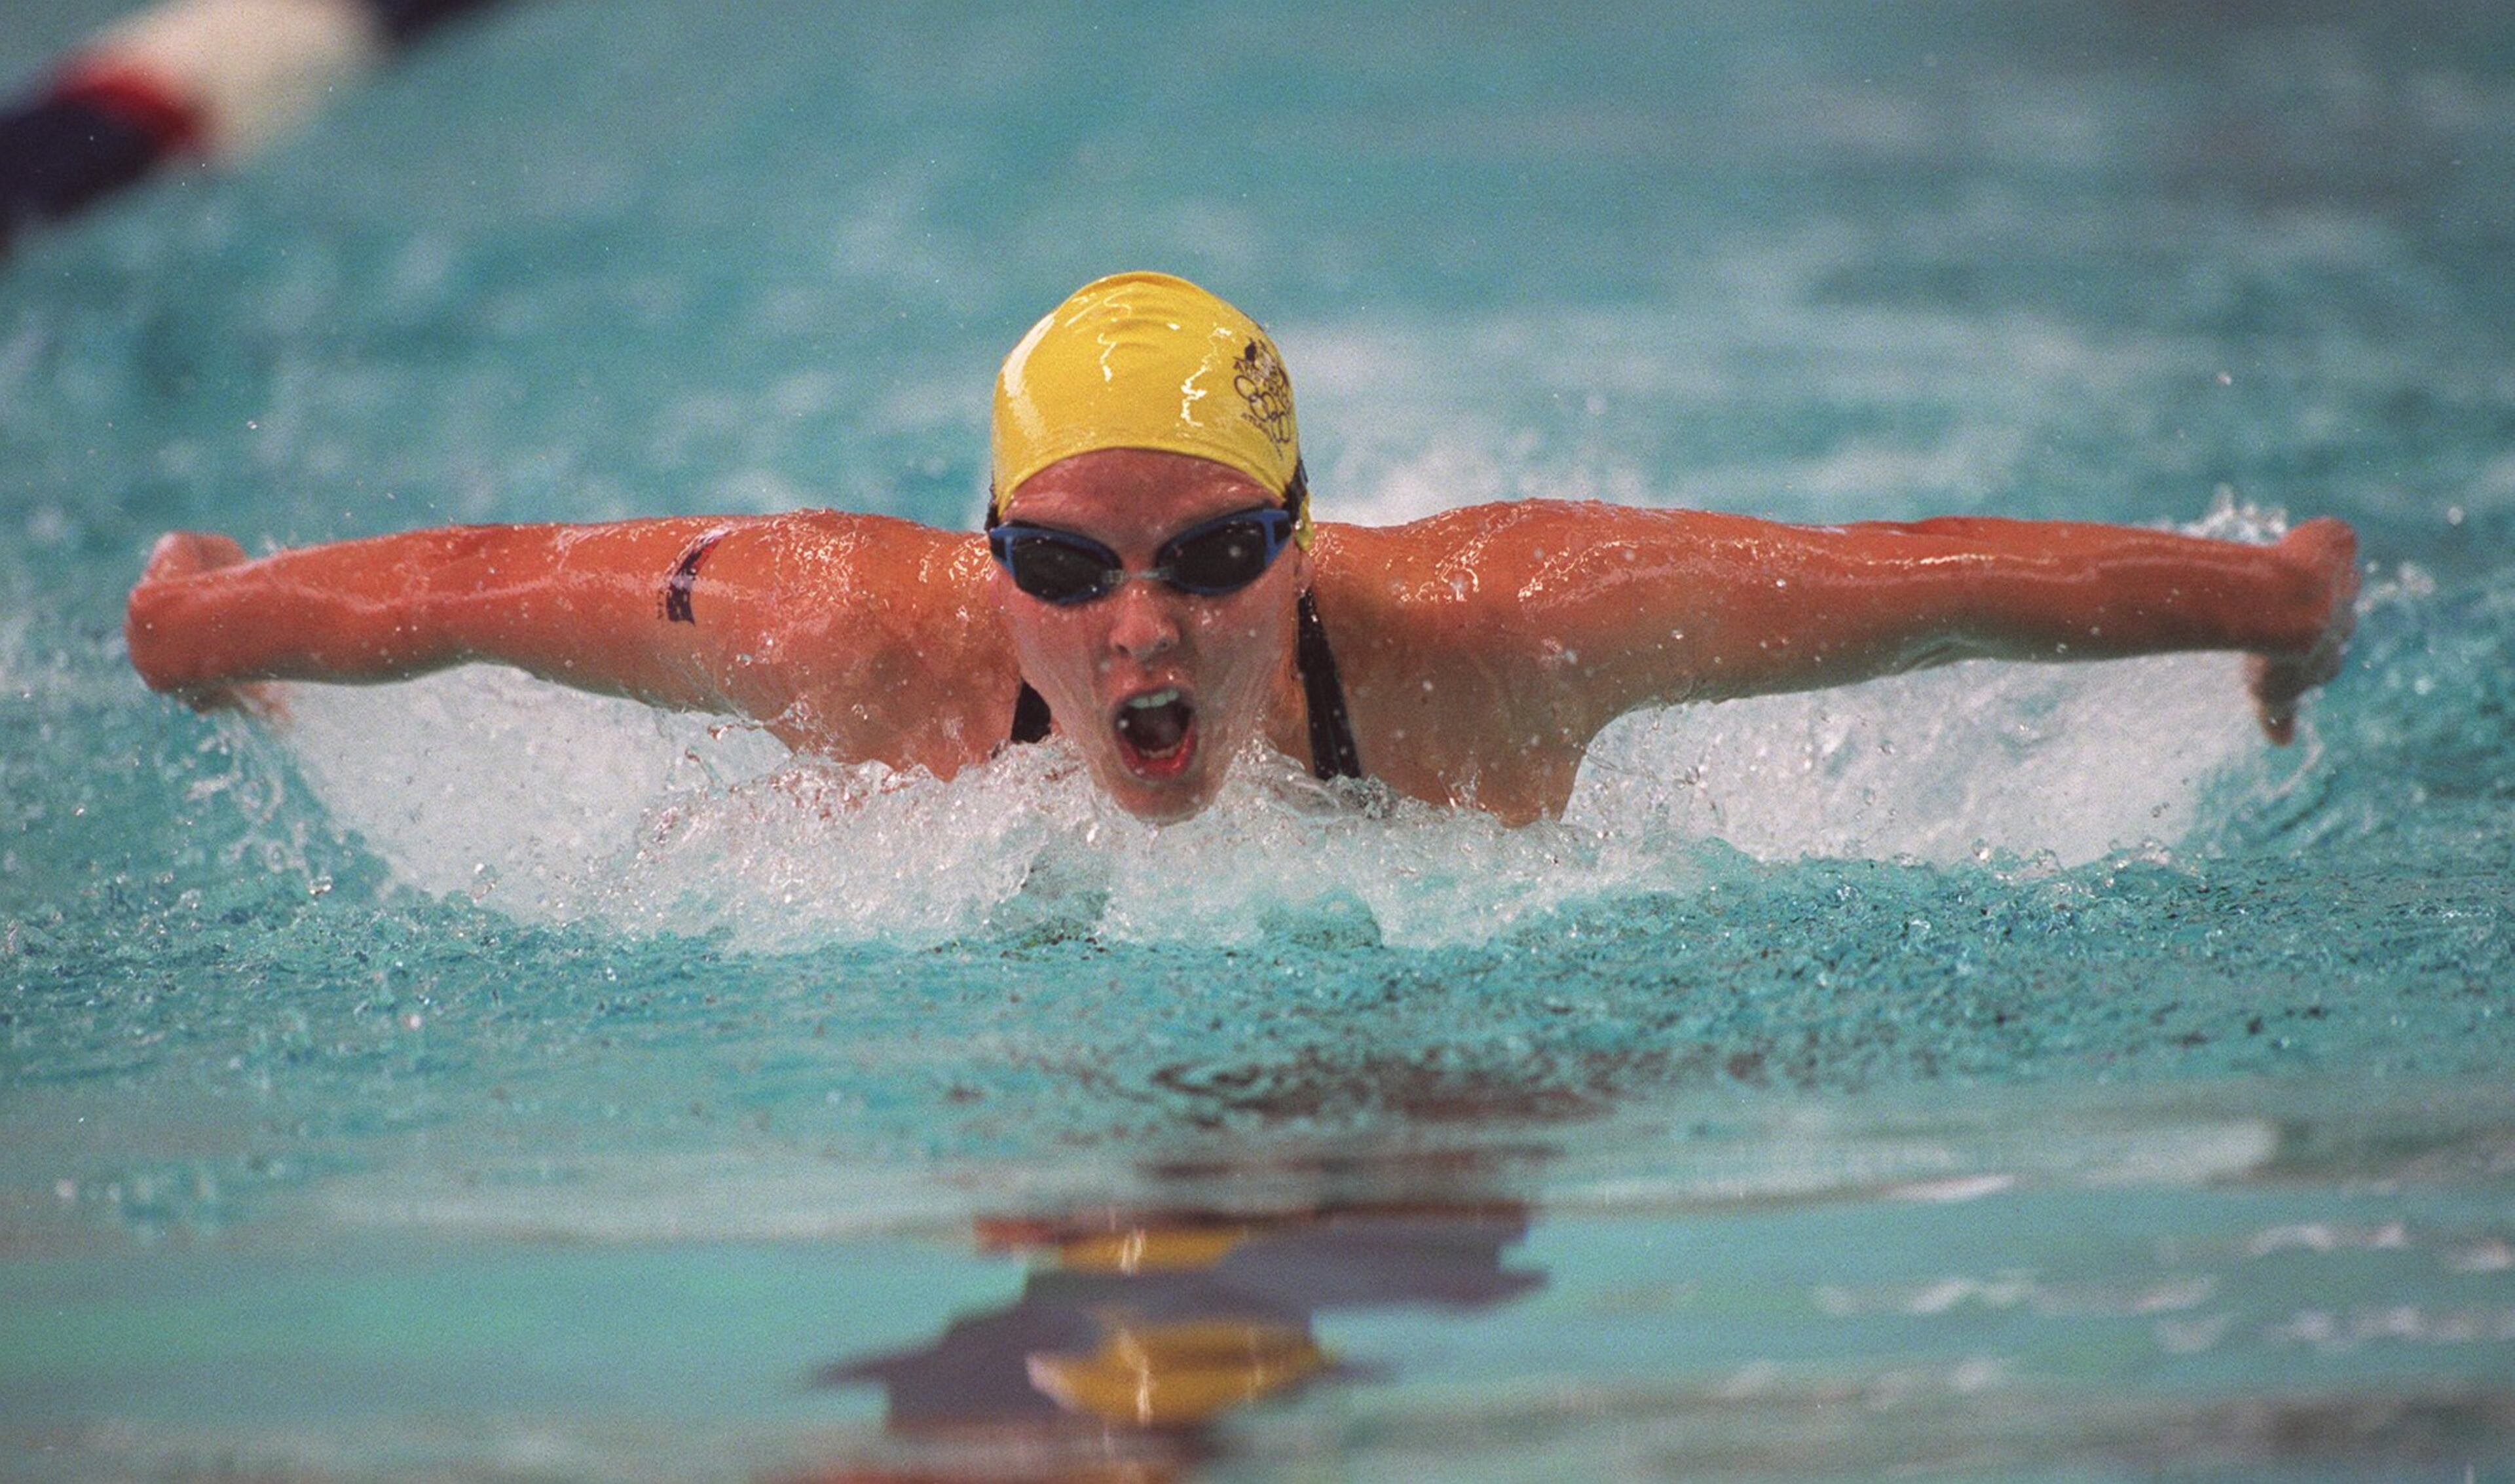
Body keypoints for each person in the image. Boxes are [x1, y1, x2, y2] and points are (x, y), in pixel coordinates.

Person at [126, 271, 2358, 826]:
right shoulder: (838, 628)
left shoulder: (1512, 625)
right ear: (983, 554)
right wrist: (200, 618)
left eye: (1211, 550)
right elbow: (461, 593)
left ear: (1306, 541)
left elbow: (1912, 581)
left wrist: (2277, 602)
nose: (1146, 625)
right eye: (1072, 570)